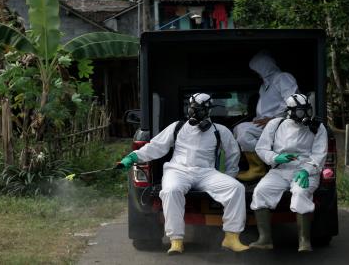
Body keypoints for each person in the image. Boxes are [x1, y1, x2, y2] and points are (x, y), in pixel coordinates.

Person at [117, 93, 249, 254]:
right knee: (171, 191)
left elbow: (233, 154)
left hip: (206, 173)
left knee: (236, 188)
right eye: (193, 108)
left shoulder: (219, 131)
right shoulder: (177, 127)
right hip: (178, 171)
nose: (194, 112)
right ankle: (176, 240)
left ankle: (231, 237)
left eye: (199, 109)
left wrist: (229, 175)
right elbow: (155, 147)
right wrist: (132, 157)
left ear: (208, 110)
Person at [249, 94, 328, 252]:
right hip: (280, 170)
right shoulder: (276, 124)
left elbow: (320, 154)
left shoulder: (317, 127)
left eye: (307, 111)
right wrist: (276, 157)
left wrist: (307, 170)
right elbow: (261, 148)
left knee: (300, 193)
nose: (305, 116)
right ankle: (265, 239)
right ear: (290, 111)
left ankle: (304, 241)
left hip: (305, 170)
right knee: (260, 191)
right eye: (300, 112)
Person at [234, 50, 298, 182]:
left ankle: (258, 168)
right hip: (267, 124)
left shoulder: (283, 78)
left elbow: (293, 100)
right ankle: (261, 161)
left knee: (243, 130)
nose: (256, 73)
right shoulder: (264, 86)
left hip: (281, 123)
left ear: (264, 66)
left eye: (257, 69)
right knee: (237, 129)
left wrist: (275, 118)